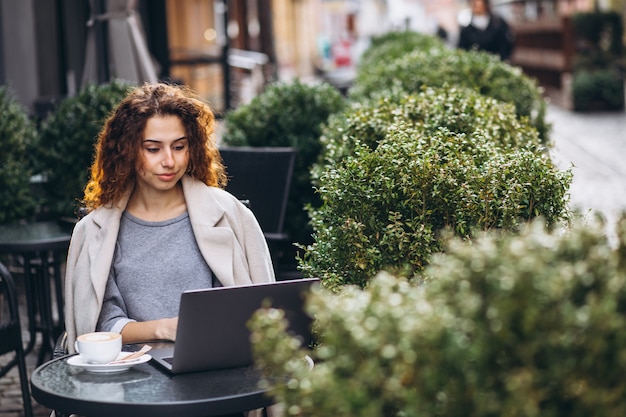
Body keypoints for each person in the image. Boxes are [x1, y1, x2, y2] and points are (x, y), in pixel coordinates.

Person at [63, 82, 275, 352]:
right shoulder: (95, 230)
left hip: (216, 367)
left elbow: (259, 309)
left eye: (179, 147)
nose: (169, 161)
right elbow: (98, 324)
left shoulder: (229, 214)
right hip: (130, 378)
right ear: (127, 151)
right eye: (153, 149)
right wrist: (163, 328)